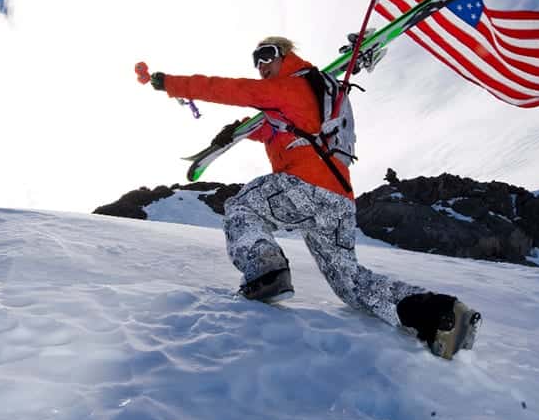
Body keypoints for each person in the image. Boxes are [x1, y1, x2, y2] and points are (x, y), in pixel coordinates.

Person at [138, 36, 481, 359]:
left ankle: (265, 270)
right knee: (351, 284)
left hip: (306, 186)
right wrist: (239, 131)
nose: (261, 64)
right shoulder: (313, 94)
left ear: (285, 55)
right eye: (256, 59)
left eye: (268, 54)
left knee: (242, 208)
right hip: (338, 202)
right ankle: (441, 315)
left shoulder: (292, 83)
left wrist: (171, 83)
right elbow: (274, 126)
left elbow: (232, 89)